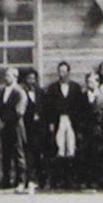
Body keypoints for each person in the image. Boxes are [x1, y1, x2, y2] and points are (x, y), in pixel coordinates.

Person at [39, 62, 88, 190]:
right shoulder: (53, 88)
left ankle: (71, 180)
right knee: (59, 148)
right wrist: (50, 123)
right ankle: (59, 180)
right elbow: (48, 108)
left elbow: (80, 107)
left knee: (71, 148)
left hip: (72, 121)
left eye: (65, 71)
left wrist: (79, 124)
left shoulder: (75, 88)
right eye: (60, 71)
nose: (62, 74)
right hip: (58, 120)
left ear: (68, 72)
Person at [0, 70, 32, 191]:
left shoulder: (19, 92)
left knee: (19, 153)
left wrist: (5, 120)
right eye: (5, 75)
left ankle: (21, 181)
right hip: (5, 127)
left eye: (9, 76)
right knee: (6, 153)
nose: (6, 78)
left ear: (15, 77)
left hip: (16, 126)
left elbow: (19, 112)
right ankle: (6, 181)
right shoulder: (3, 91)